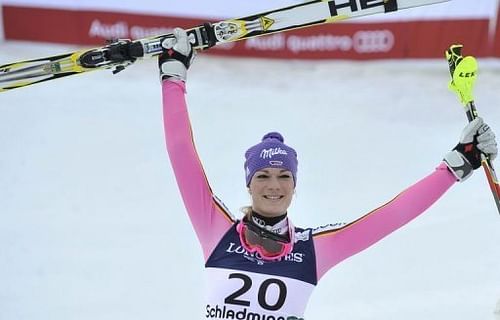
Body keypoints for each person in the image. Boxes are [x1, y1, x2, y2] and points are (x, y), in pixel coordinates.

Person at [159, 29, 497, 320]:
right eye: (263, 176)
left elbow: (392, 216)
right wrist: (173, 78)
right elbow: (181, 154)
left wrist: (455, 166)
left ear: (295, 184)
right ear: (249, 183)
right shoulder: (218, 231)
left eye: (283, 176)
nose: (274, 186)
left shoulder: (312, 250)